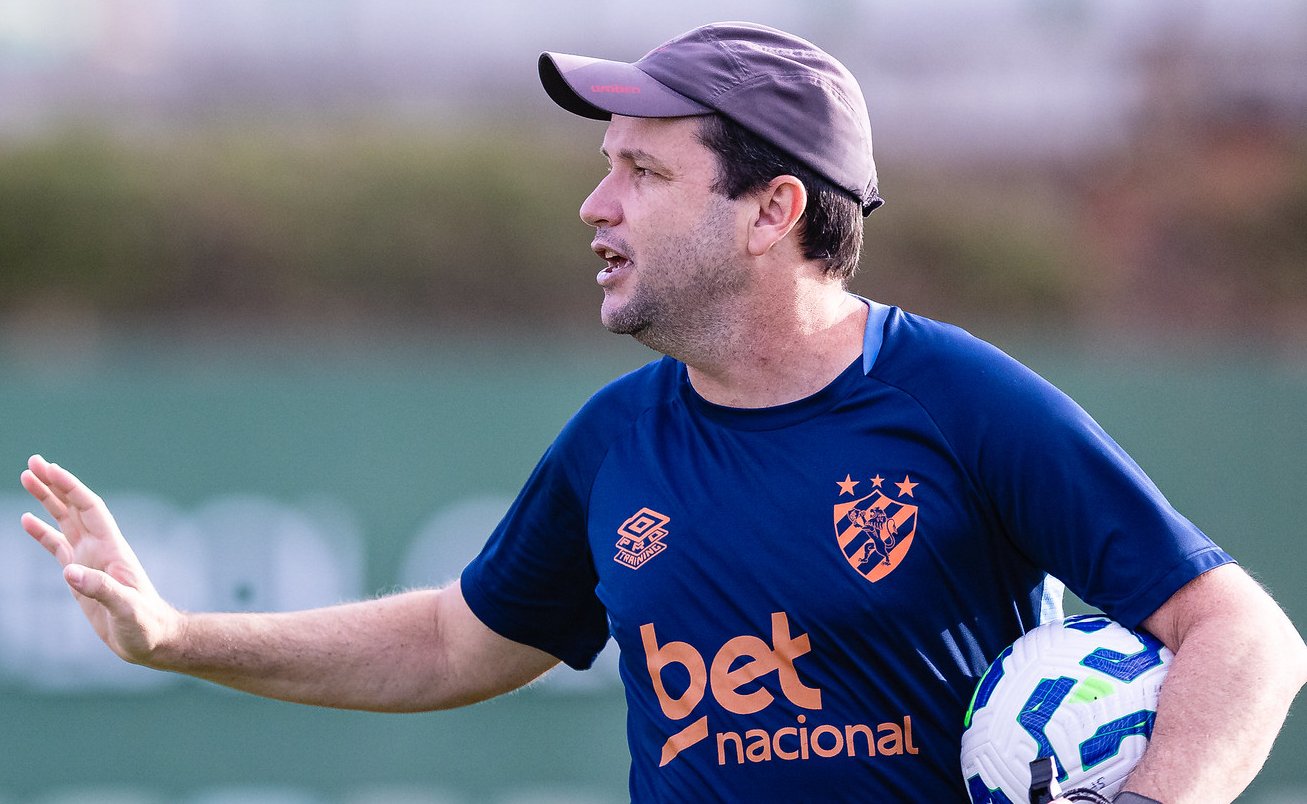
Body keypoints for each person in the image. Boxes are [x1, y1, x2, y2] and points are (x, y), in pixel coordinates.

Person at [18, 21, 1306, 803]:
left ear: (772, 210)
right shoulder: (616, 443)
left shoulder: (955, 402)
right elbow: (452, 644)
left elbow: (1246, 637)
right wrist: (178, 636)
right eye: (604, 172)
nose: (597, 207)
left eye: (642, 170)